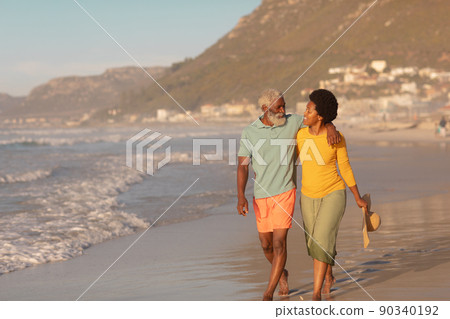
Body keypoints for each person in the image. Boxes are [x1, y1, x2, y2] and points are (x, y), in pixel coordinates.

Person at [237, 88, 340, 301]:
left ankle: (268, 293)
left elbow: (319, 119)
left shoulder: (292, 122)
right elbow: (243, 167)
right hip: (261, 195)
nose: (283, 110)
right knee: (266, 245)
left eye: (284, 106)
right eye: (278, 107)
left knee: (279, 244)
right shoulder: (250, 132)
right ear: (266, 109)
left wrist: (330, 126)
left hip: (285, 191)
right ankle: (281, 272)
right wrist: (240, 196)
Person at [296, 89, 367, 301]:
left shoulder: (336, 138)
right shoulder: (300, 134)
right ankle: (329, 274)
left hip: (333, 192)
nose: (304, 112)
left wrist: (357, 196)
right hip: (307, 195)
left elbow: (344, 167)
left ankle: (316, 294)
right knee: (313, 242)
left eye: (309, 110)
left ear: (320, 115)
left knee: (321, 239)